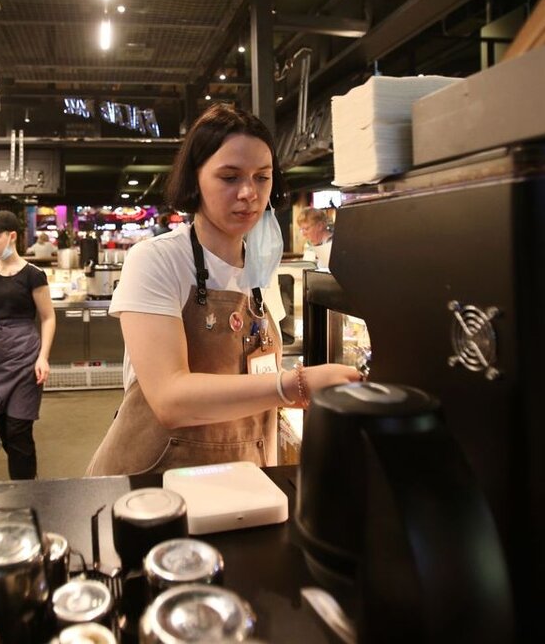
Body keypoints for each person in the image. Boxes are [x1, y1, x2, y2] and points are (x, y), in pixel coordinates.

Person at [86, 105, 361, 476]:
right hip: (157, 484)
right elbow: (169, 400)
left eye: (262, 177)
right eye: (230, 177)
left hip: (243, 477)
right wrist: (294, 385)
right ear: (195, 179)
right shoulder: (157, 259)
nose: (249, 192)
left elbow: (262, 370)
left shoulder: (263, 267)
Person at [0, 211, 56, 479]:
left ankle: (25, 489)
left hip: (25, 358)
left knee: (19, 429)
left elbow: (48, 317)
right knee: (4, 426)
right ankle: (25, 479)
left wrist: (43, 357)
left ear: (12, 236)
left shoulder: (33, 275)